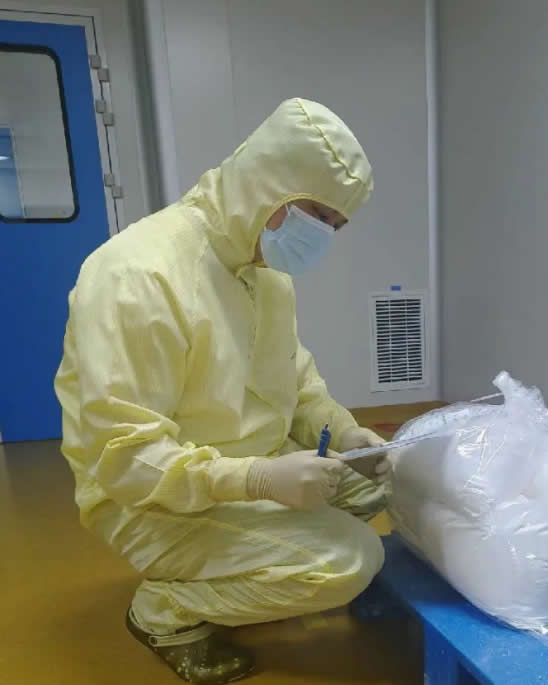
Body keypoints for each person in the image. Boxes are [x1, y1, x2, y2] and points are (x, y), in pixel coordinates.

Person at [54, 98, 390, 684]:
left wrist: (347, 432)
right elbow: (126, 461)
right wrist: (257, 480)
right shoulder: (139, 275)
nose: (321, 237)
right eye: (316, 214)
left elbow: (298, 384)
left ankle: (245, 564)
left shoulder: (265, 271)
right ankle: (165, 609)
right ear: (269, 184)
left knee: (375, 486)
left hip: (242, 466)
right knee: (350, 561)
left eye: (335, 227)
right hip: (147, 500)